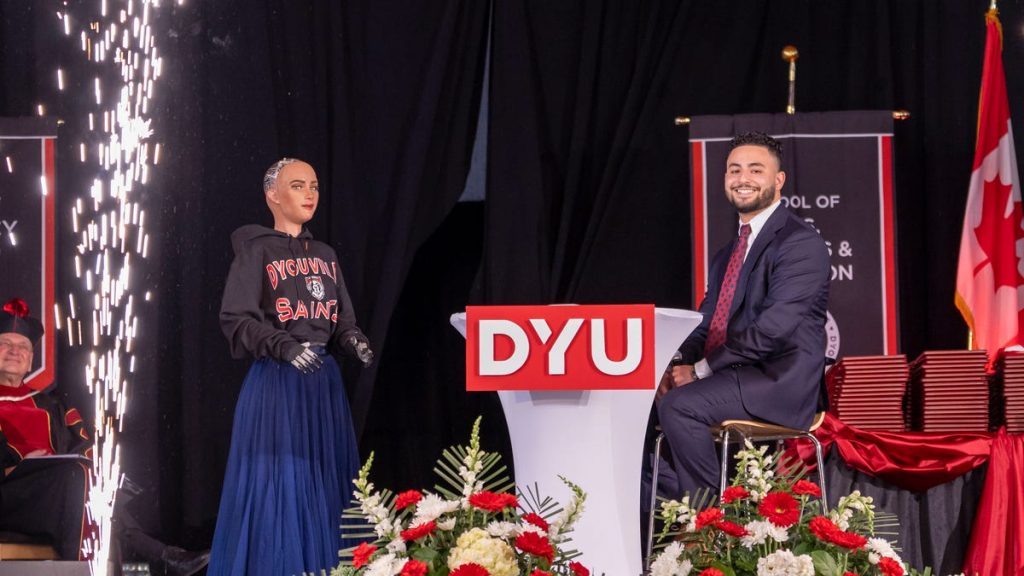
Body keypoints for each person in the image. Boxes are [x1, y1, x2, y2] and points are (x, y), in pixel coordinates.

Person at [209, 158, 373, 576]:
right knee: (281, 482)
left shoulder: (325, 254)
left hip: (322, 386)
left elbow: (341, 319)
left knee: (327, 480)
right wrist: (282, 345)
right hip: (279, 384)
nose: (309, 194)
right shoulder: (255, 250)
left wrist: (351, 340)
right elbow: (236, 318)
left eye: (314, 186)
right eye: (298, 185)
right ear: (272, 195)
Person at [656, 132, 830, 498]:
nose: (743, 179)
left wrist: (700, 370)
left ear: (778, 180)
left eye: (755, 169)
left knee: (680, 406)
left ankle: (711, 523)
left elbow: (771, 331)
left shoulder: (799, 243)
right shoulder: (728, 252)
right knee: (649, 404)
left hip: (778, 382)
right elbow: (706, 323)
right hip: (733, 375)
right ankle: (669, 512)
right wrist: (671, 366)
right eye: (734, 170)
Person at [0, 298, 209, 575]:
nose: (15, 351)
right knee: (79, 481)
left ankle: (157, 557)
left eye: (23, 346)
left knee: (97, 485)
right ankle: (161, 555)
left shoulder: (53, 406)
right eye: (6, 344)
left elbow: (84, 449)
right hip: (10, 496)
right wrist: (17, 467)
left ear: (30, 361)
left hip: (61, 493)